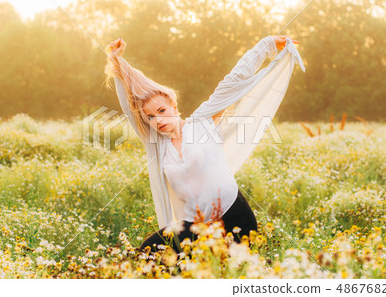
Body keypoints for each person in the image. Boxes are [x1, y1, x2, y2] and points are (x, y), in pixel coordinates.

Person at [105, 35, 302, 255]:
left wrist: (267, 45)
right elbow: (128, 107)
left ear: (174, 105)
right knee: (148, 252)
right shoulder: (157, 146)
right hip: (196, 226)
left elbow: (233, 80)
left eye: (161, 111)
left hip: (235, 216)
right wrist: (118, 63)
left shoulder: (203, 122)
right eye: (150, 117)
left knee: (231, 273)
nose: (158, 120)